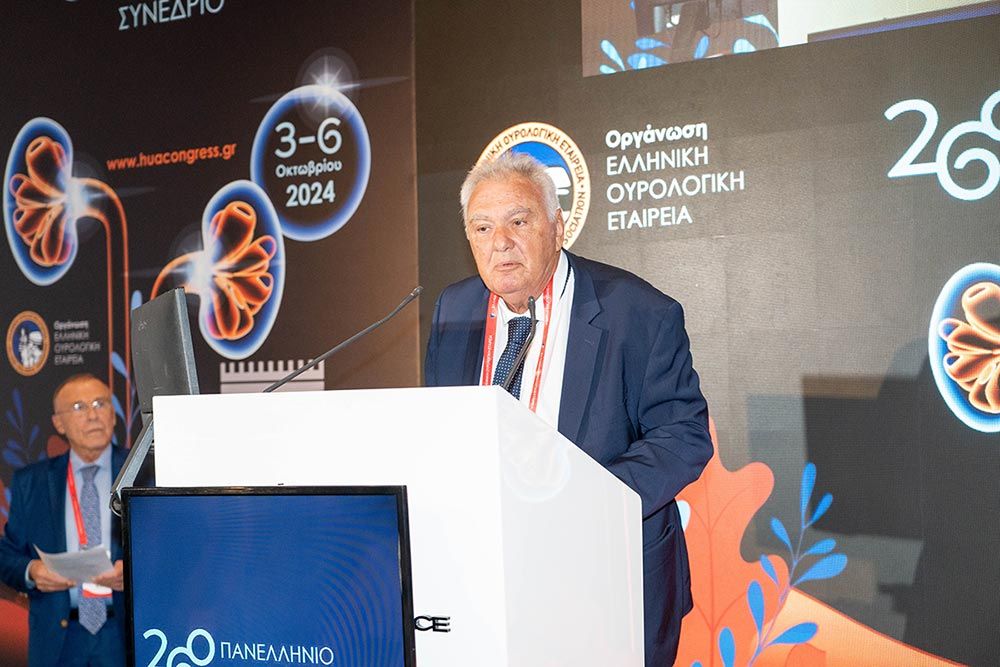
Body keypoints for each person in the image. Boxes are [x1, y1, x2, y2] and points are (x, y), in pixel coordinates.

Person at [425, 152, 712, 665]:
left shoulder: (638, 312)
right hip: (490, 578)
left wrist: (584, 501)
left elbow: (683, 436)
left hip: (608, 575)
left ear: (557, 228)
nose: (500, 242)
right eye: (482, 227)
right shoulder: (454, 309)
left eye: (519, 221)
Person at [0, 373, 127, 667]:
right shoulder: (31, 482)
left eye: (101, 404)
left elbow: (174, 546)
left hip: (123, 632)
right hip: (58, 637)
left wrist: (134, 570)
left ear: (113, 415)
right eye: (79, 407)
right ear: (59, 424)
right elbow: (8, 553)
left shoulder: (144, 472)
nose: (93, 415)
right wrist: (32, 570)